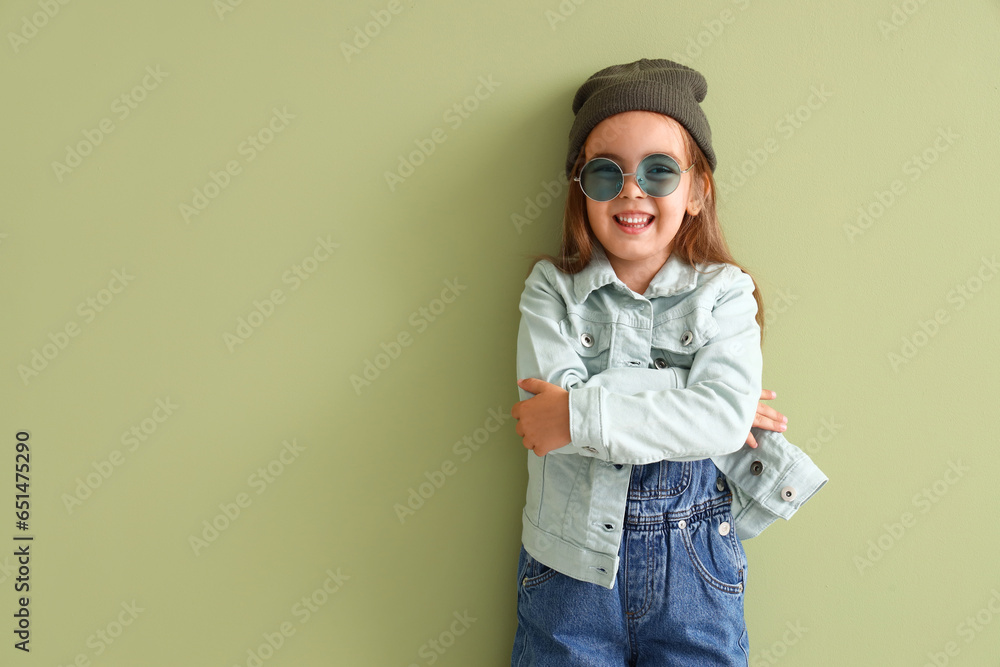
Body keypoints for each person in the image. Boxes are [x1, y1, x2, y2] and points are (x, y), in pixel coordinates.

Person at [508, 58, 828, 666]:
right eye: (607, 174)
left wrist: (582, 412)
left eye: (659, 171)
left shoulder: (725, 293)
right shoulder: (549, 291)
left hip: (696, 572)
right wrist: (692, 393)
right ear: (581, 187)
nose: (632, 190)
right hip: (567, 571)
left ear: (698, 190)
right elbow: (545, 422)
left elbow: (719, 423)